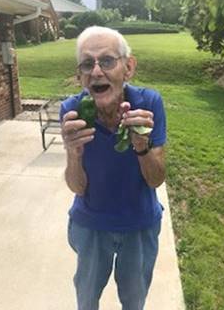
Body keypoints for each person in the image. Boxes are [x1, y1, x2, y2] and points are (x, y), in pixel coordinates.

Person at [60, 26, 166, 310]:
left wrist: (141, 145)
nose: (96, 71)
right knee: (86, 300)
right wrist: (74, 153)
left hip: (139, 224)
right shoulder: (72, 112)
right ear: (79, 74)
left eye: (106, 61)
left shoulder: (149, 104)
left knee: (134, 301)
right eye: (87, 63)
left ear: (128, 67)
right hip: (91, 224)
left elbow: (156, 180)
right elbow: (77, 187)